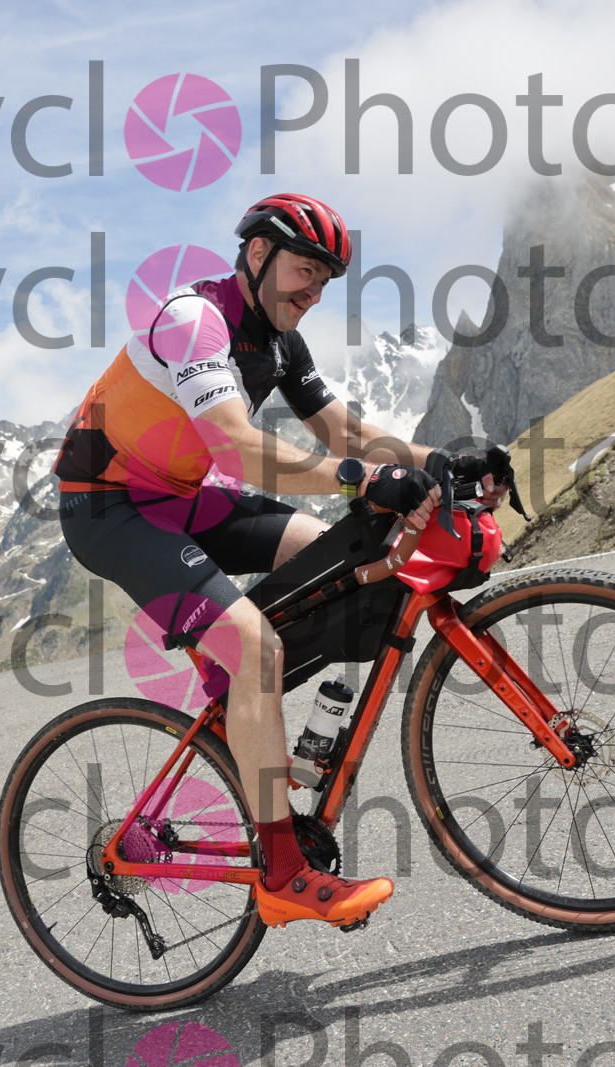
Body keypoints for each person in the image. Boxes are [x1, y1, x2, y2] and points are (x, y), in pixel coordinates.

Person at [53, 193, 439, 929]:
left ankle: (241, 703)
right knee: (254, 644)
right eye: (304, 270)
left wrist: (442, 463)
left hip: (182, 494)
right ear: (259, 255)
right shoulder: (194, 320)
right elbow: (235, 447)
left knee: (334, 553)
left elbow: (345, 432)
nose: (314, 292)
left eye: (325, 279)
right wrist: (361, 481)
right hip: (108, 507)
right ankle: (284, 874)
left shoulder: (282, 342)